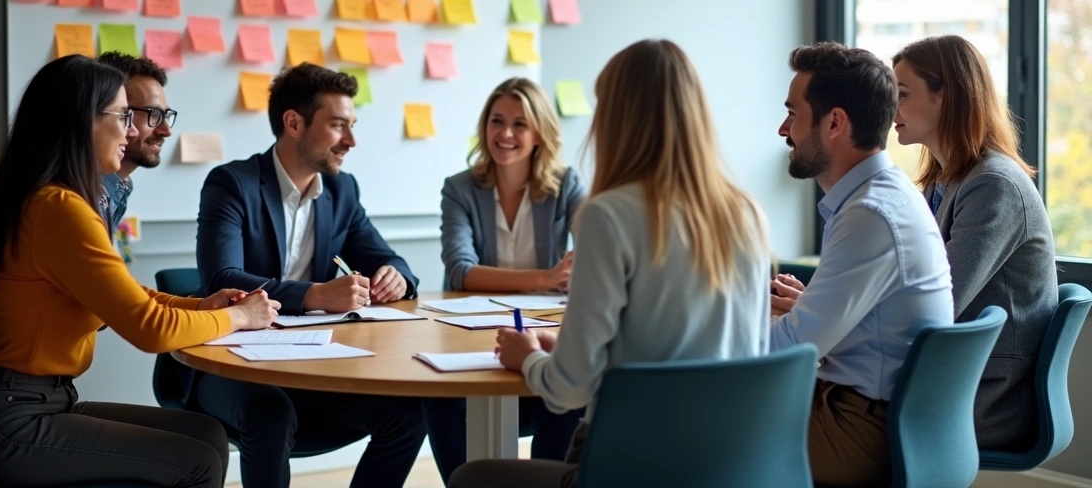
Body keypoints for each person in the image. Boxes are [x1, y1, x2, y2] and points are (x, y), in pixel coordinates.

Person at [450, 39, 773, 488]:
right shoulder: (746, 213)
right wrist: (565, 338)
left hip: (629, 465)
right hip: (729, 464)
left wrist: (527, 359)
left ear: (619, 116)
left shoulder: (608, 215)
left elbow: (568, 390)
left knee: (472, 478)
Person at [0, 55, 279, 487]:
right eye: (123, 116)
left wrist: (201, 305)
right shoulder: (59, 209)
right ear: (81, 120)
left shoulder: (48, 199)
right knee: (195, 460)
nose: (132, 130)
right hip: (17, 420)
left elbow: (122, 293)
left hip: (31, 402)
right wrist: (239, 317)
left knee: (207, 434)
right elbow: (150, 330)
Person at [191, 62, 426, 488]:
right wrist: (317, 295)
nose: (351, 141)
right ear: (294, 123)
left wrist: (397, 275)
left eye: (352, 126)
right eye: (338, 126)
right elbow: (221, 279)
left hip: (311, 362)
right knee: (270, 412)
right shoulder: (232, 183)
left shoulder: (341, 189)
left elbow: (388, 257)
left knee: (409, 411)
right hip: (230, 365)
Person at [769, 42, 953, 486]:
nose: (783, 129)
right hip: (871, 413)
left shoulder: (871, 213)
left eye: (793, 114)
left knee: (676, 424)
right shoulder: (881, 196)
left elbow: (796, 346)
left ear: (834, 123)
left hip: (858, 430)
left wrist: (707, 328)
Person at [892, 34, 1058, 451]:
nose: (890, 107)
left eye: (902, 94)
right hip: (959, 382)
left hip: (986, 400)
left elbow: (934, 304)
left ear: (946, 97)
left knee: (823, 417)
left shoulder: (992, 186)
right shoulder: (951, 181)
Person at [425, 78, 586, 482]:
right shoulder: (459, 188)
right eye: (497, 121)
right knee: (435, 397)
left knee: (566, 392)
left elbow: (592, 255)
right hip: (469, 329)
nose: (506, 134)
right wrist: (548, 276)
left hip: (544, 327)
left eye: (520, 123)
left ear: (539, 133)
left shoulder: (566, 185)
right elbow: (462, 272)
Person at [95, 51, 176, 257]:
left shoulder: (120, 186)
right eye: (153, 114)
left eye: (165, 115)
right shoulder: (76, 196)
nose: (166, 130)